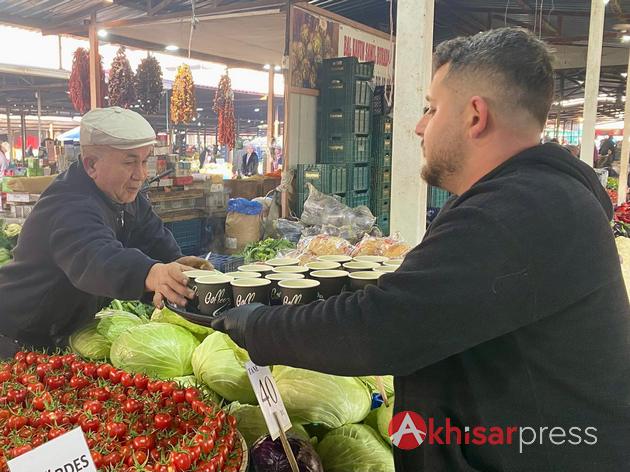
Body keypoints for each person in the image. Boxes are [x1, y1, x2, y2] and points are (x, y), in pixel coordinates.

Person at [210, 28, 630, 471]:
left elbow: (383, 327)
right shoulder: (537, 198)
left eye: (431, 108)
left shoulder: (518, 211)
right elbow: (431, 308)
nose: (419, 126)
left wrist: (259, 327)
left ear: (475, 116)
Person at [0, 107, 211, 358]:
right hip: (16, 334)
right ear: (91, 165)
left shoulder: (124, 197)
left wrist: (174, 265)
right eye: (130, 162)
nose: (141, 175)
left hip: (62, 330)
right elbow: (96, 257)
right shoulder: (68, 204)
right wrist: (150, 272)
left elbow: (153, 237)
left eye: (145, 161)